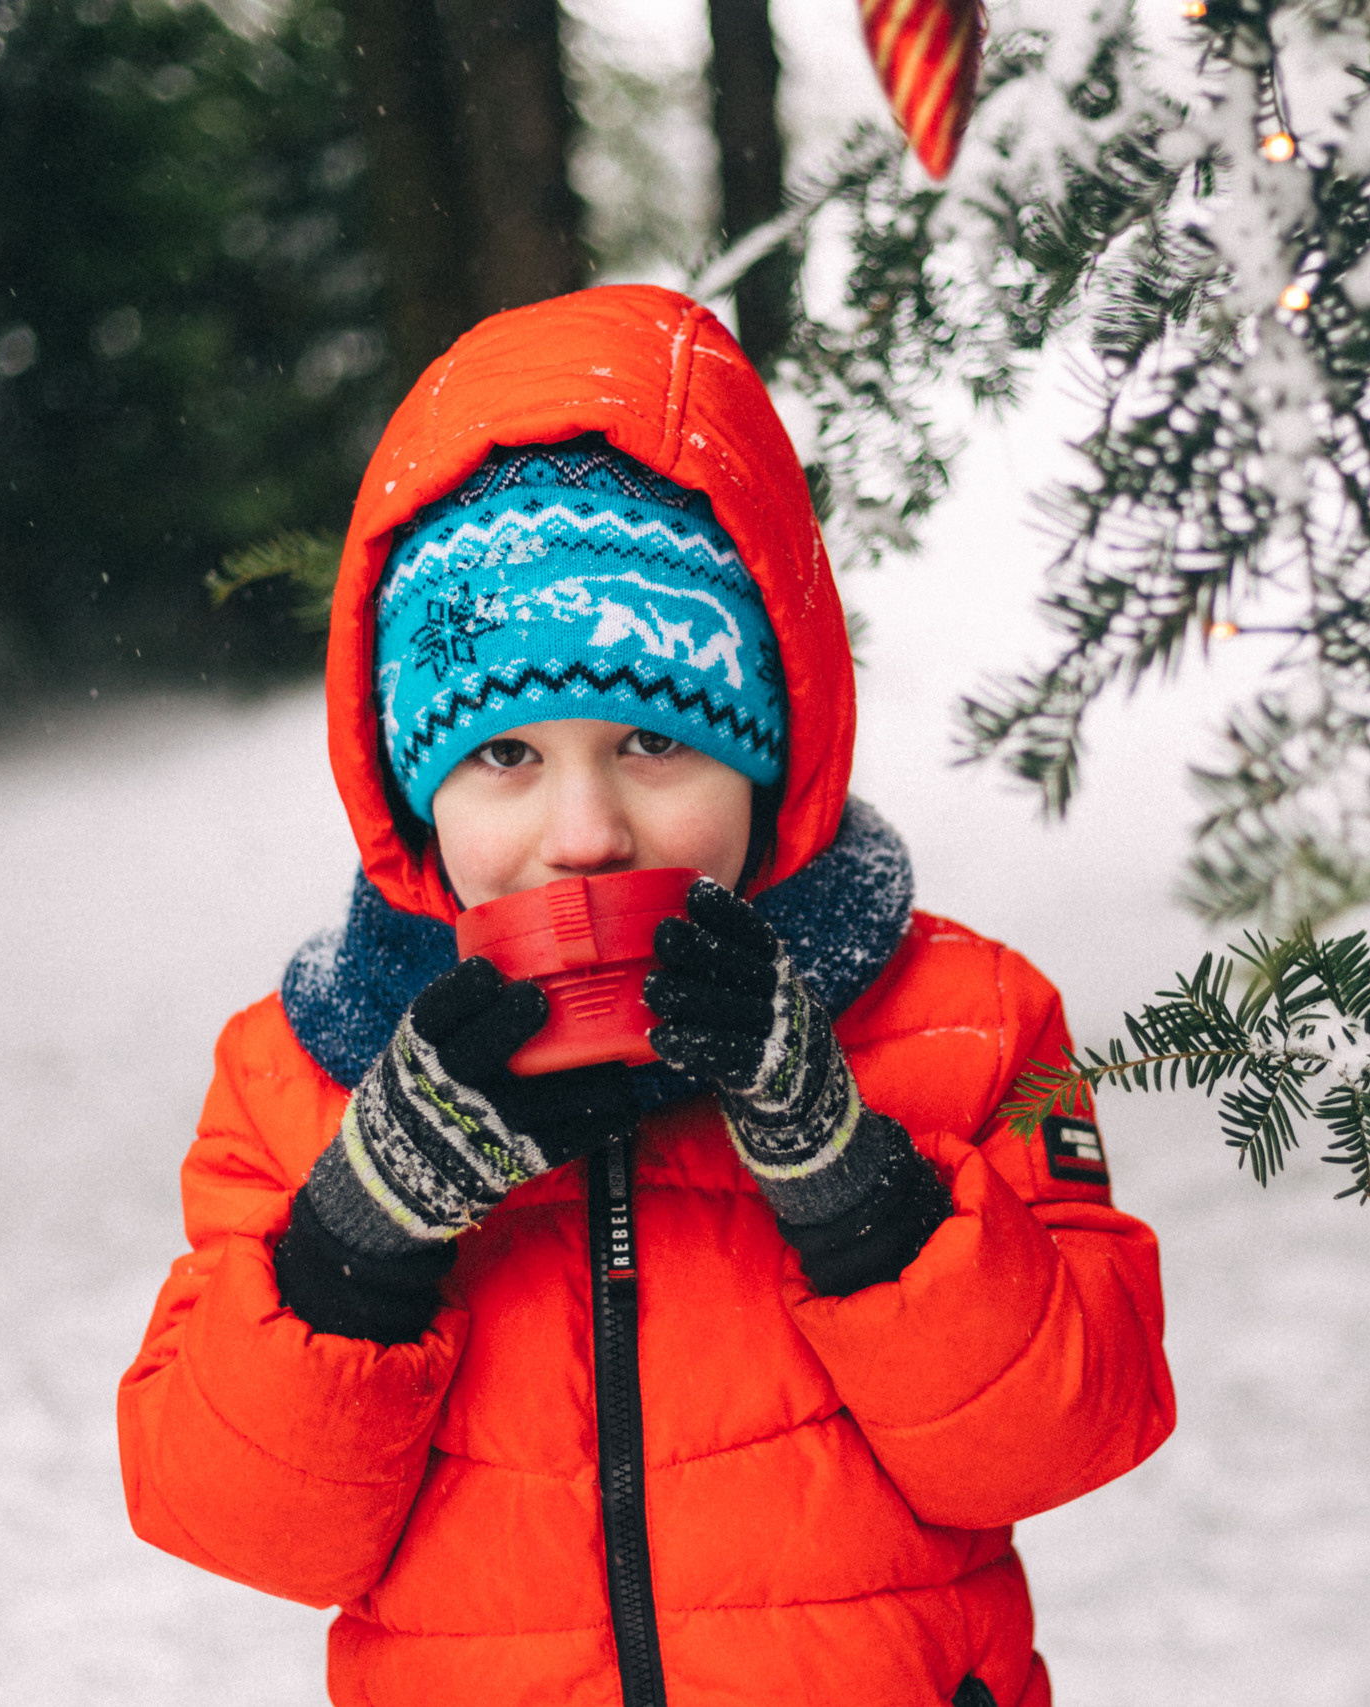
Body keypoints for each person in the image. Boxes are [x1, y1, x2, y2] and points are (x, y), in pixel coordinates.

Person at [117, 284, 1174, 1707]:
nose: (587, 833)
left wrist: (850, 1177)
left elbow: (1062, 1439)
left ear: (769, 748)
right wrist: (362, 1237)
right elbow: (239, 1521)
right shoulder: (301, 1077)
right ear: (413, 791)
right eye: (506, 757)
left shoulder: (965, 1024)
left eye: (651, 744)